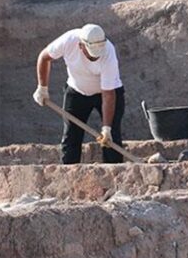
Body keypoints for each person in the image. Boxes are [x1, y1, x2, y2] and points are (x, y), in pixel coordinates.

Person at [33, 24, 125, 164]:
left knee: (112, 140)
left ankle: (116, 177)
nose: (95, 58)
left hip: (106, 94)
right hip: (77, 91)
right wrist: (42, 88)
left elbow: (108, 94)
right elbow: (44, 57)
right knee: (71, 138)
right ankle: (68, 176)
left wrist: (106, 129)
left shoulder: (108, 52)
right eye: (91, 55)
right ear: (81, 46)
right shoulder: (68, 40)